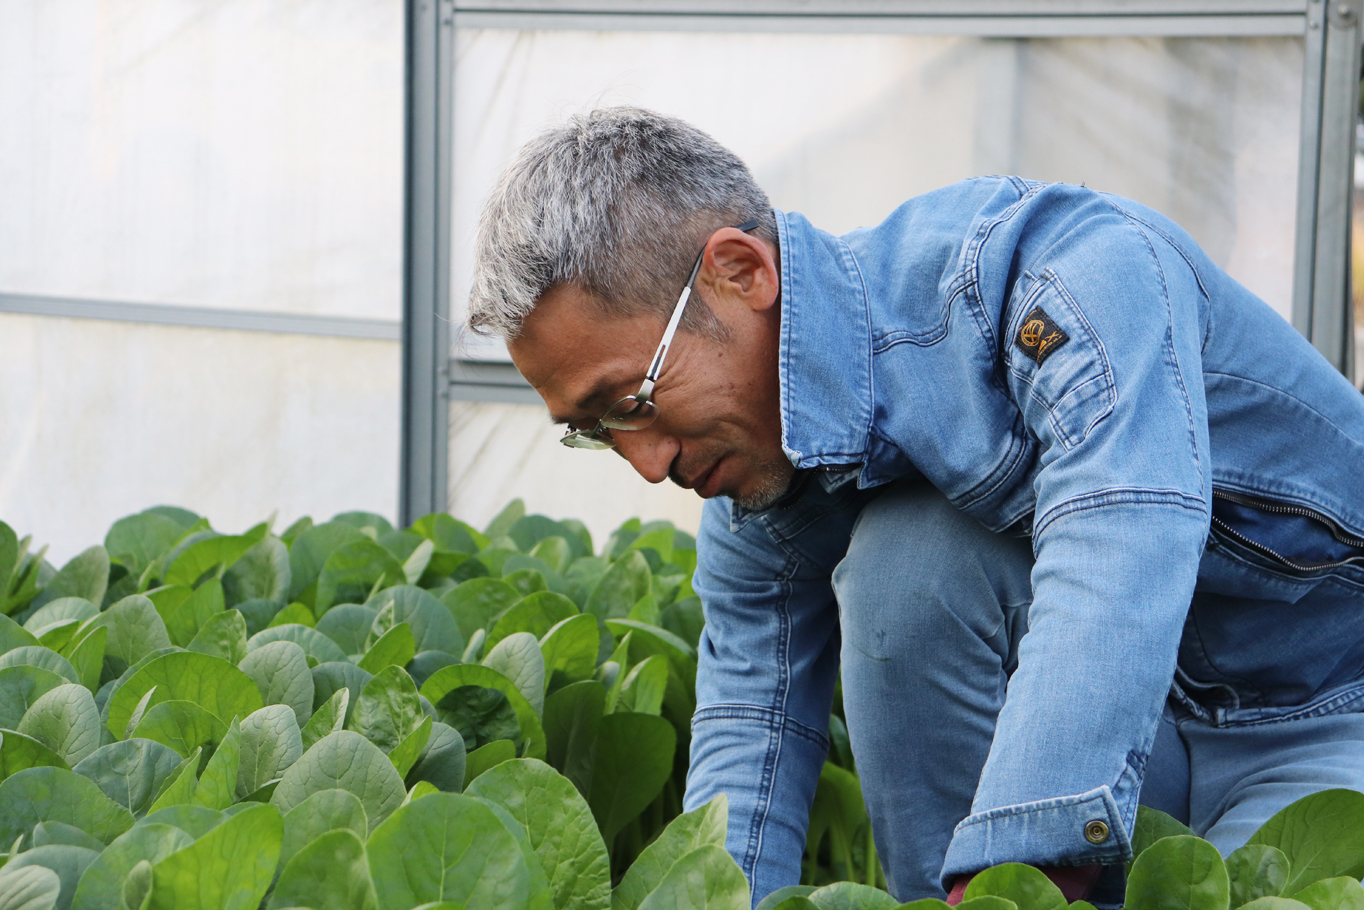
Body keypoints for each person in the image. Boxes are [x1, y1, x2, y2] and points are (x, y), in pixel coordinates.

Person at [465, 106, 1364, 908]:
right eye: (593, 430)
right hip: (1153, 737)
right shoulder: (756, 468)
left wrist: (1018, 867)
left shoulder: (1058, 275)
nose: (647, 463)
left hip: (1330, 715)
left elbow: (1122, 528)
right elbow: (752, 717)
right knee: (909, 565)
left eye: (631, 402)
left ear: (741, 273)